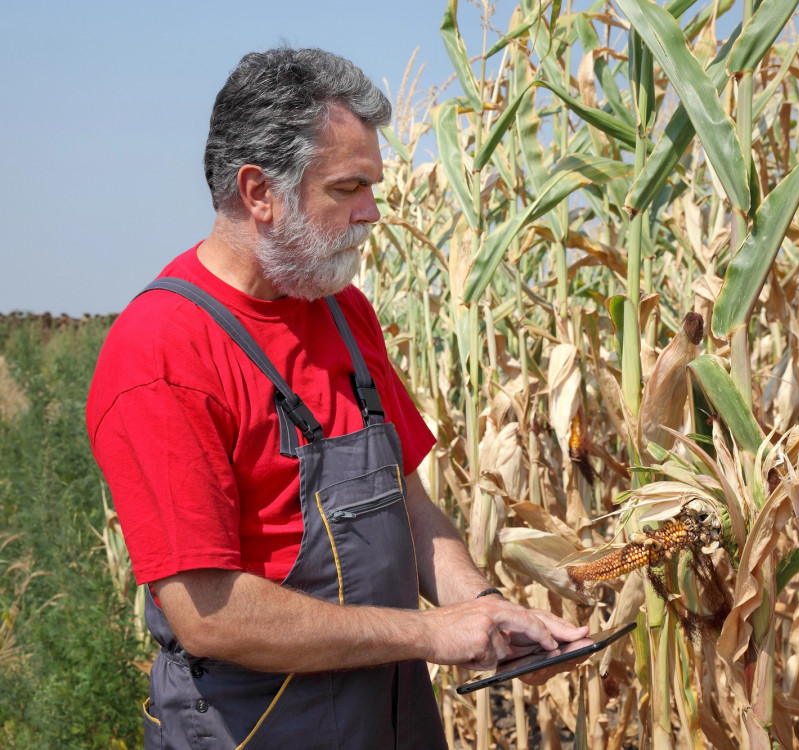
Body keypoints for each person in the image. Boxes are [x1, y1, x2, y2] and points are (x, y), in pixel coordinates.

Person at [87, 48, 588, 750]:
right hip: (259, 728)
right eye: (347, 188)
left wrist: (483, 611)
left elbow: (408, 506)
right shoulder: (164, 353)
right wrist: (426, 632)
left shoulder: (344, 314)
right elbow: (207, 612)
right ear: (259, 192)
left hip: (388, 716)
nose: (373, 213)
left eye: (373, 187)